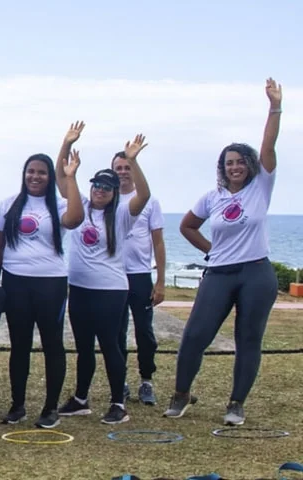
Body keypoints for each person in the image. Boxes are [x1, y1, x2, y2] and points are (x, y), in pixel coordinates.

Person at [168, 78, 282, 426]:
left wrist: (274, 107)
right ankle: (182, 394)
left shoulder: (261, 186)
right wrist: (212, 251)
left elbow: (268, 146)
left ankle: (236, 403)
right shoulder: (212, 196)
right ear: (223, 167)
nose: (234, 167)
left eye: (240, 161)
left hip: (256, 273)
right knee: (195, 335)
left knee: (248, 338)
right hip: (219, 273)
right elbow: (187, 226)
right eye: (228, 162)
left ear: (249, 165)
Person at [0, 122, 85, 429]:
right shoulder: (10, 204)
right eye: (30, 171)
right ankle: (17, 405)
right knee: (19, 345)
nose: (35, 176)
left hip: (51, 284)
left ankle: (49, 409)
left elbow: (75, 219)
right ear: (24, 174)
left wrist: (69, 177)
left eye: (42, 172)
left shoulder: (58, 204)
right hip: (16, 282)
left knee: (52, 344)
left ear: (49, 177)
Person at [57, 134, 151, 425]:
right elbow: (62, 179)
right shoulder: (80, 206)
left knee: (110, 345)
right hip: (80, 288)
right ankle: (81, 399)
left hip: (110, 291)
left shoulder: (123, 214)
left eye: (107, 187)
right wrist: (66, 145)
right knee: (84, 347)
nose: (100, 191)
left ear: (115, 192)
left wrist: (132, 161)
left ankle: (117, 403)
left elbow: (144, 196)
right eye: (97, 185)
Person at [114, 147, 167, 406]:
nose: (123, 173)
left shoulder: (149, 201)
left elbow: (158, 242)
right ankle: (119, 381)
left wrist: (161, 281)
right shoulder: (108, 199)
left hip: (140, 275)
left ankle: (146, 380)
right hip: (113, 277)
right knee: (116, 332)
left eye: (127, 167)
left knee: (144, 331)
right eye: (119, 168)